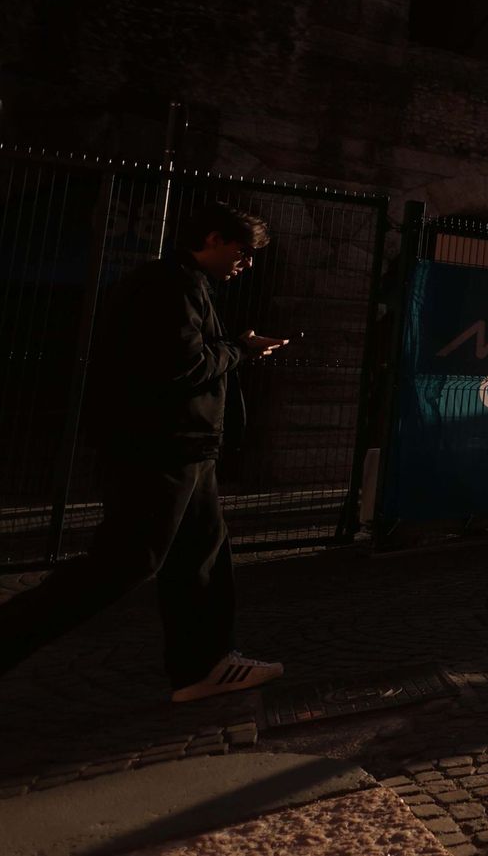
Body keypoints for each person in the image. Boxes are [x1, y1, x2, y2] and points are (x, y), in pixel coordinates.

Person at [0, 204, 290, 702]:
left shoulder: (183, 285)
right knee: (126, 561)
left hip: (186, 447)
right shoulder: (170, 286)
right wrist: (240, 350)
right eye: (243, 251)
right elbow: (182, 366)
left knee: (201, 556)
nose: (247, 264)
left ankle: (205, 666)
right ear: (213, 239)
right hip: (162, 447)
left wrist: (232, 348)